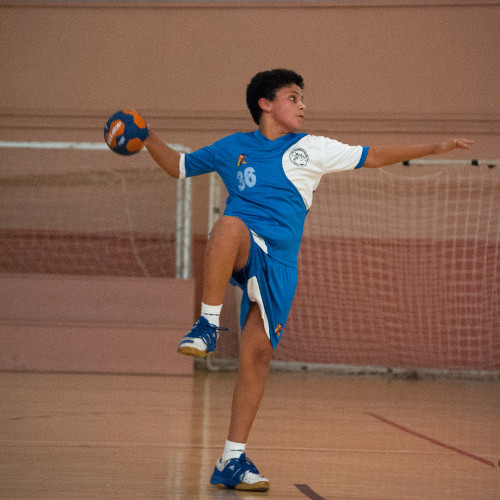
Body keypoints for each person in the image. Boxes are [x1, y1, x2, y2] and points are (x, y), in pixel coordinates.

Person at [144, 69, 473, 491]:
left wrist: (434, 147)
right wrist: (146, 135)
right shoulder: (232, 147)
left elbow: (373, 155)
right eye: (293, 97)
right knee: (228, 225)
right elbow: (179, 166)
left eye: (302, 99)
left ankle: (231, 460)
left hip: (280, 266)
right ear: (265, 104)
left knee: (257, 358)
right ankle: (207, 323)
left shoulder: (313, 148)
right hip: (245, 246)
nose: (303, 106)